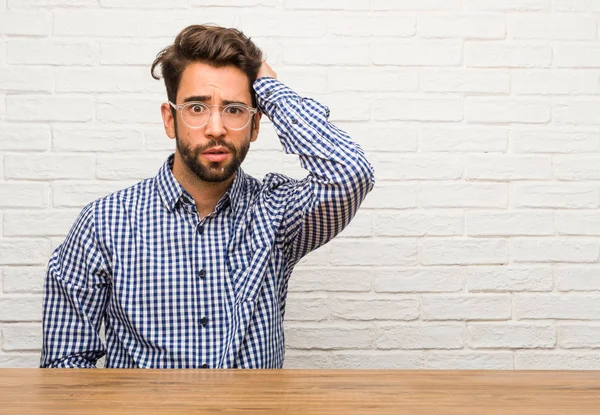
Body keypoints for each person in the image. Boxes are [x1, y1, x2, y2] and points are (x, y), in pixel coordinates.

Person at [40, 24, 374, 369]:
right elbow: (66, 365)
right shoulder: (104, 223)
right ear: (171, 120)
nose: (216, 128)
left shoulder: (279, 214)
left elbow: (350, 172)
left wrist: (267, 84)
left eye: (234, 110)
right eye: (197, 108)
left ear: (255, 125)